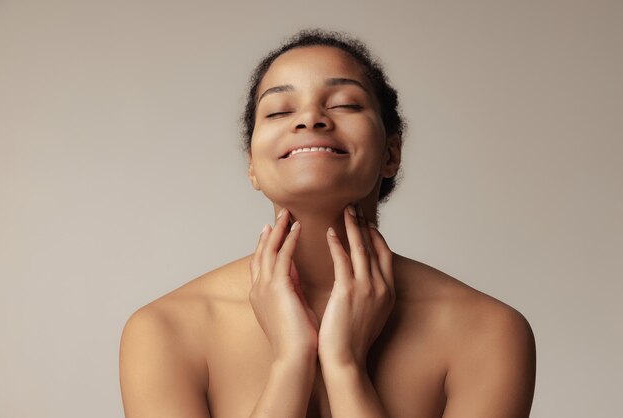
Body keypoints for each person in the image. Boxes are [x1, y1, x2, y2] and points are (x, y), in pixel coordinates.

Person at [119, 29, 536, 418]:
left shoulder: (490, 332)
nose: (310, 119)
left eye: (345, 104)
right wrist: (291, 361)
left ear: (391, 153)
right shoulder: (163, 331)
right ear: (252, 166)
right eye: (280, 110)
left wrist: (345, 366)